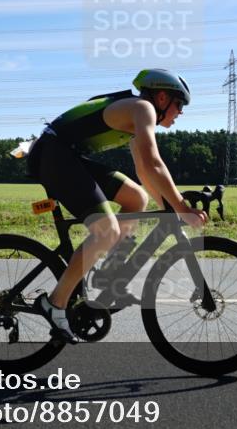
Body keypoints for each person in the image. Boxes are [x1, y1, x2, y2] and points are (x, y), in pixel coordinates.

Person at [25, 69, 208, 344]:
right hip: (53, 156)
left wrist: (169, 208)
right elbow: (155, 163)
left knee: (137, 199)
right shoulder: (143, 108)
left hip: (66, 154)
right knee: (106, 231)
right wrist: (182, 205)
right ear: (161, 97)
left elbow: (144, 170)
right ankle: (55, 303)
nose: (180, 112)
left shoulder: (137, 114)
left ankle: (110, 269)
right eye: (179, 104)